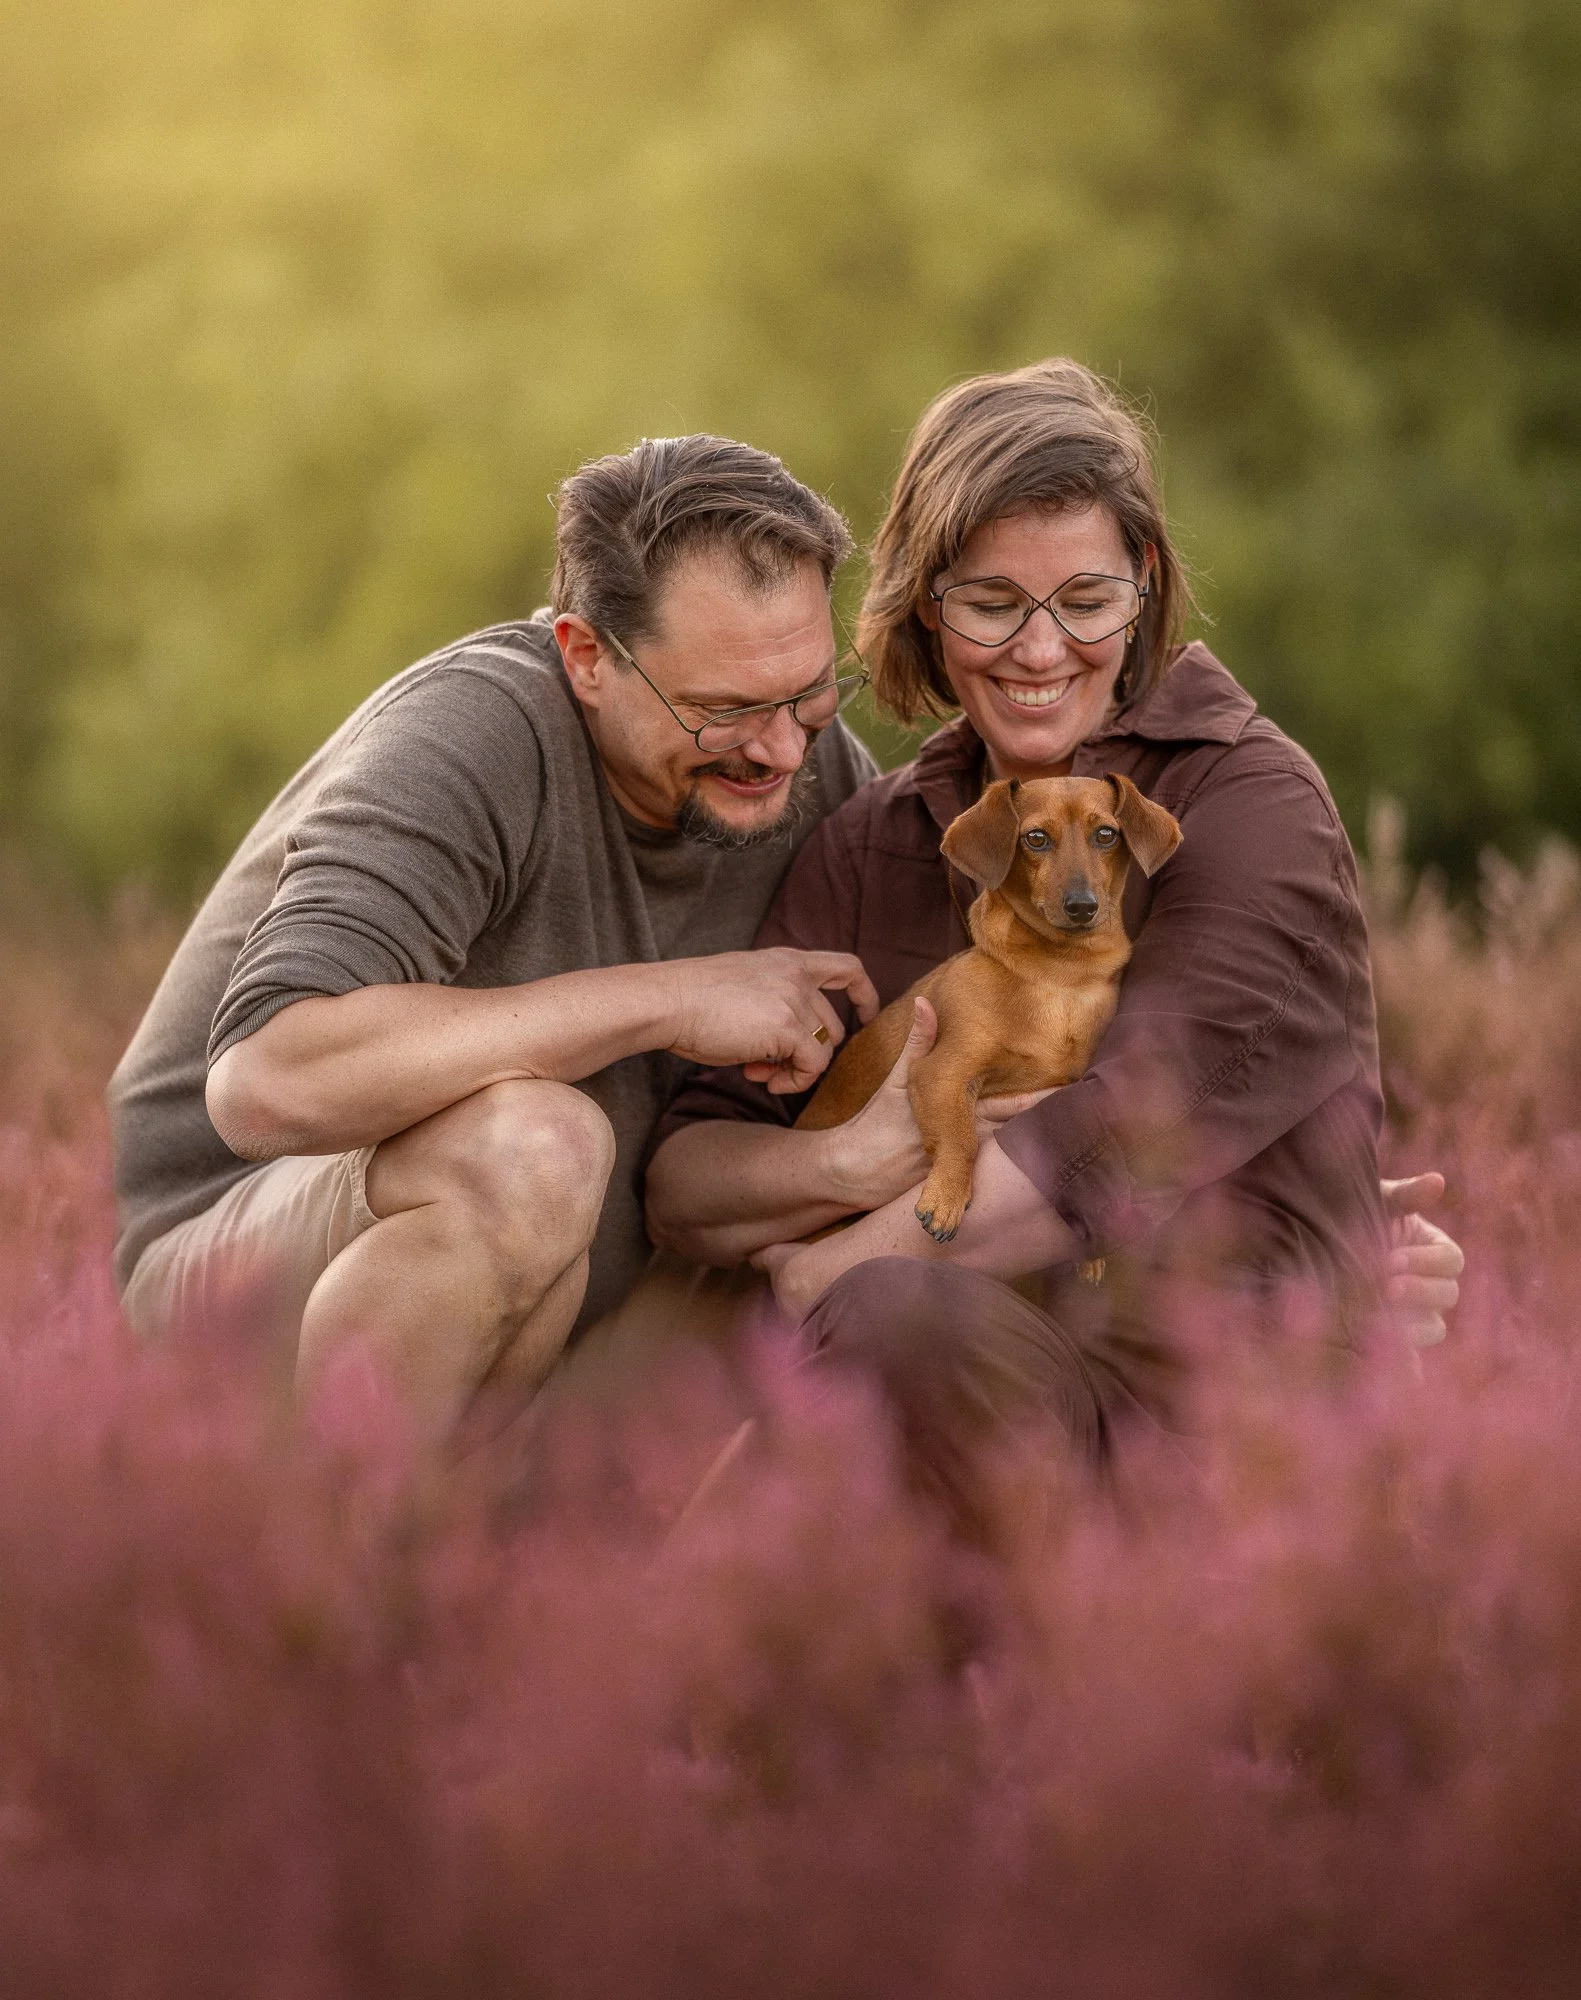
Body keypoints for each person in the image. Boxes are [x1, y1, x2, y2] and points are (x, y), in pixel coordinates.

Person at [646, 361, 1462, 1516]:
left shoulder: (1251, 801)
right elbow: (690, 1176)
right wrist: (848, 1159)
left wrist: (832, 1263)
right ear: (927, 605)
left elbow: (1129, 1125)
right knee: (889, 1331)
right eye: (991, 603)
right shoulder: (869, 843)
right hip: (988, 1383)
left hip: (1229, 1411)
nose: (1039, 651)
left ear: (1145, 585)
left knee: (878, 1315)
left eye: (1084, 600)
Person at [108, 435, 885, 1444]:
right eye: (723, 709)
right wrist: (674, 997)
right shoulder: (480, 729)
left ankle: (587, 1584)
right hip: (235, 1267)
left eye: (812, 693)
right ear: (587, 656)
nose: (782, 745)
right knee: (537, 1150)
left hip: (563, 1330)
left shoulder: (814, 770)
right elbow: (268, 1080)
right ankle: (321, 1579)